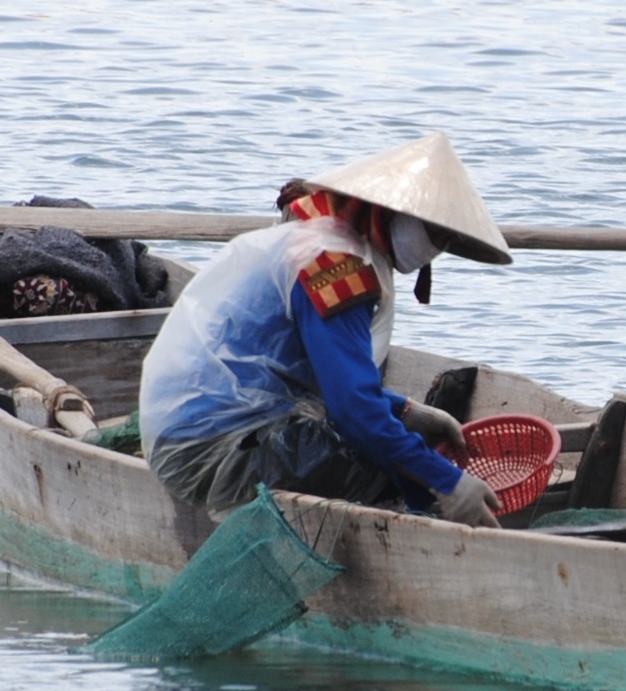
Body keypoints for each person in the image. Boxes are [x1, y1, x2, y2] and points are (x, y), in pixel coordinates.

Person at [138, 133, 514, 528]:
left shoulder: (314, 242)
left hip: (190, 432)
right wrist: (448, 483)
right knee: (385, 459)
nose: (436, 248)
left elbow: (318, 375)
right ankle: (424, 531)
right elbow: (352, 410)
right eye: (436, 234)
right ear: (396, 213)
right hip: (209, 452)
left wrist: (402, 410)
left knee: (394, 443)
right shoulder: (336, 266)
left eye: (447, 240)